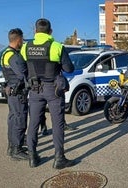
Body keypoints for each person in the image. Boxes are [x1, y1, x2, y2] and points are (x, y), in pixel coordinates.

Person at [21, 18, 76, 168]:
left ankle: (32, 157)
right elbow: (69, 69)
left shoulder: (25, 47)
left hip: (34, 89)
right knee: (57, 124)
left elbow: (23, 69)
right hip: (53, 90)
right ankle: (59, 159)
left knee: (33, 123)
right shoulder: (56, 46)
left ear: (35, 31)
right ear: (50, 31)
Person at [0, 28, 29, 160]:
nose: (22, 42)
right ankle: (17, 149)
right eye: (22, 40)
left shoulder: (5, 53)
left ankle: (11, 147)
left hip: (10, 91)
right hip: (18, 92)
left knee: (12, 119)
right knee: (19, 120)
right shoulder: (14, 56)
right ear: (18, 40)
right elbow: (22, 75)